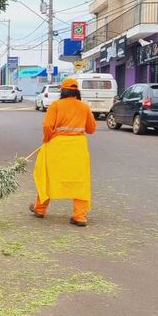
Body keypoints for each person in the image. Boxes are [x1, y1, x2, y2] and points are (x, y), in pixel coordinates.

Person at [30, 77, 97, 226]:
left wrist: (47, 139)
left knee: (47, 176)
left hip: (56, 146)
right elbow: (91, 129)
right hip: (78, 147)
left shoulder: (56, 105)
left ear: (63, 91)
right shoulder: (84, 107)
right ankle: (79, 216)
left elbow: (47, 126)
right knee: (80, 180)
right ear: (76, 92)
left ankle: (40, 209)